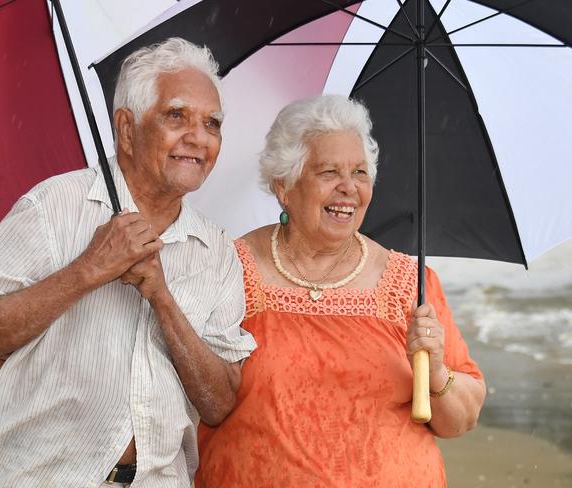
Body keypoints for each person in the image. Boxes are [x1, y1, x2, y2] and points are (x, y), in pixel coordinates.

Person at [0, 38, 256, 488]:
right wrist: (89, 269)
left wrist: (162, 299)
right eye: (176, 116)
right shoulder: (54, 205)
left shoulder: (217, 251)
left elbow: (219, 403)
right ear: (126, 129)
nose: (198, 138)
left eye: (212, 123)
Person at [195, 94, 485, 487]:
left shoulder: (411, 283)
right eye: (329, 172)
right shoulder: (228, 269)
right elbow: (196, 395)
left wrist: (434, 372)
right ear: (284, 186)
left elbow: (459, 421)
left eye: (360, 173)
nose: (348, 188)